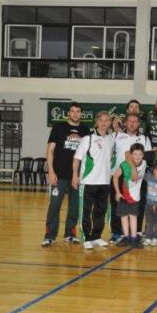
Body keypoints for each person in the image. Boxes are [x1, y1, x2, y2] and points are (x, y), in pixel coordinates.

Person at [43, 101, 90, 247]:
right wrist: (51, 171)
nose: (75, 114)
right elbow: (50, 150)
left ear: (81, 114)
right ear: (68, 113)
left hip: (77, 176)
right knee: (54, 206)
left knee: (74, 207)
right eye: (72, 111)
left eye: (78, 111)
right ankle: (50, 235)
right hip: (59, 175)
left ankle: (70, 234)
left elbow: (88, 154)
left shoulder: (85, 130)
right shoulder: (58, 128)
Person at [72, 111, 114, 249]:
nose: (104, 123)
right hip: (88, 182)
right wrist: (75, 176)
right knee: (86, 211)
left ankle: (96, 236)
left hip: (105, 182)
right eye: (101, 120)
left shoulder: (111, 138)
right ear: (96, 122)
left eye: (107, 120)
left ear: (110, 123)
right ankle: (86, 237)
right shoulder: (87, 139)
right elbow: (77, 159)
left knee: (100, 211)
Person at [110, 113, 152, 243]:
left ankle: (136, 233)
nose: (132, 124)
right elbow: (123, 153)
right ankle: (117, 233)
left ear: (139, 124)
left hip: (138, 179)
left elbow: (148, 157)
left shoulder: (144, 139)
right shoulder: (116, 136)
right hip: (119, 176)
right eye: (130, 121)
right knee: (117, 205)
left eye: (135, 121)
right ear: (125, 123)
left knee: (137, 205)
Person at [112, 143, 147, 248]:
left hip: (135, 197)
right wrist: (117, 192)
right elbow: (115, 177)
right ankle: (126, 237)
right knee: (124, 217)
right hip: (124, 195)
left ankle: (134, 238)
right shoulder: (124, 164)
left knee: (133, 216)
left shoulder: (144, 163)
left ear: (143, 155)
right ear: (131, 155)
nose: (137, 156)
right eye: (135, 154)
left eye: (140, 154)